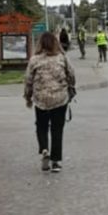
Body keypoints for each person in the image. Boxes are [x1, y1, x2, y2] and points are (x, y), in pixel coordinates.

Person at [24, 32, 76, 173]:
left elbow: (28, 80)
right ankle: (56, 162)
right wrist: (71, 88)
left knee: (41, 126)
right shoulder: (62, 58)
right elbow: (71, 75)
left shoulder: (34, 60)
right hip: (60, 98)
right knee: (57, 129)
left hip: (41, 98)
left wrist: (28, 97)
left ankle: (45, 149)